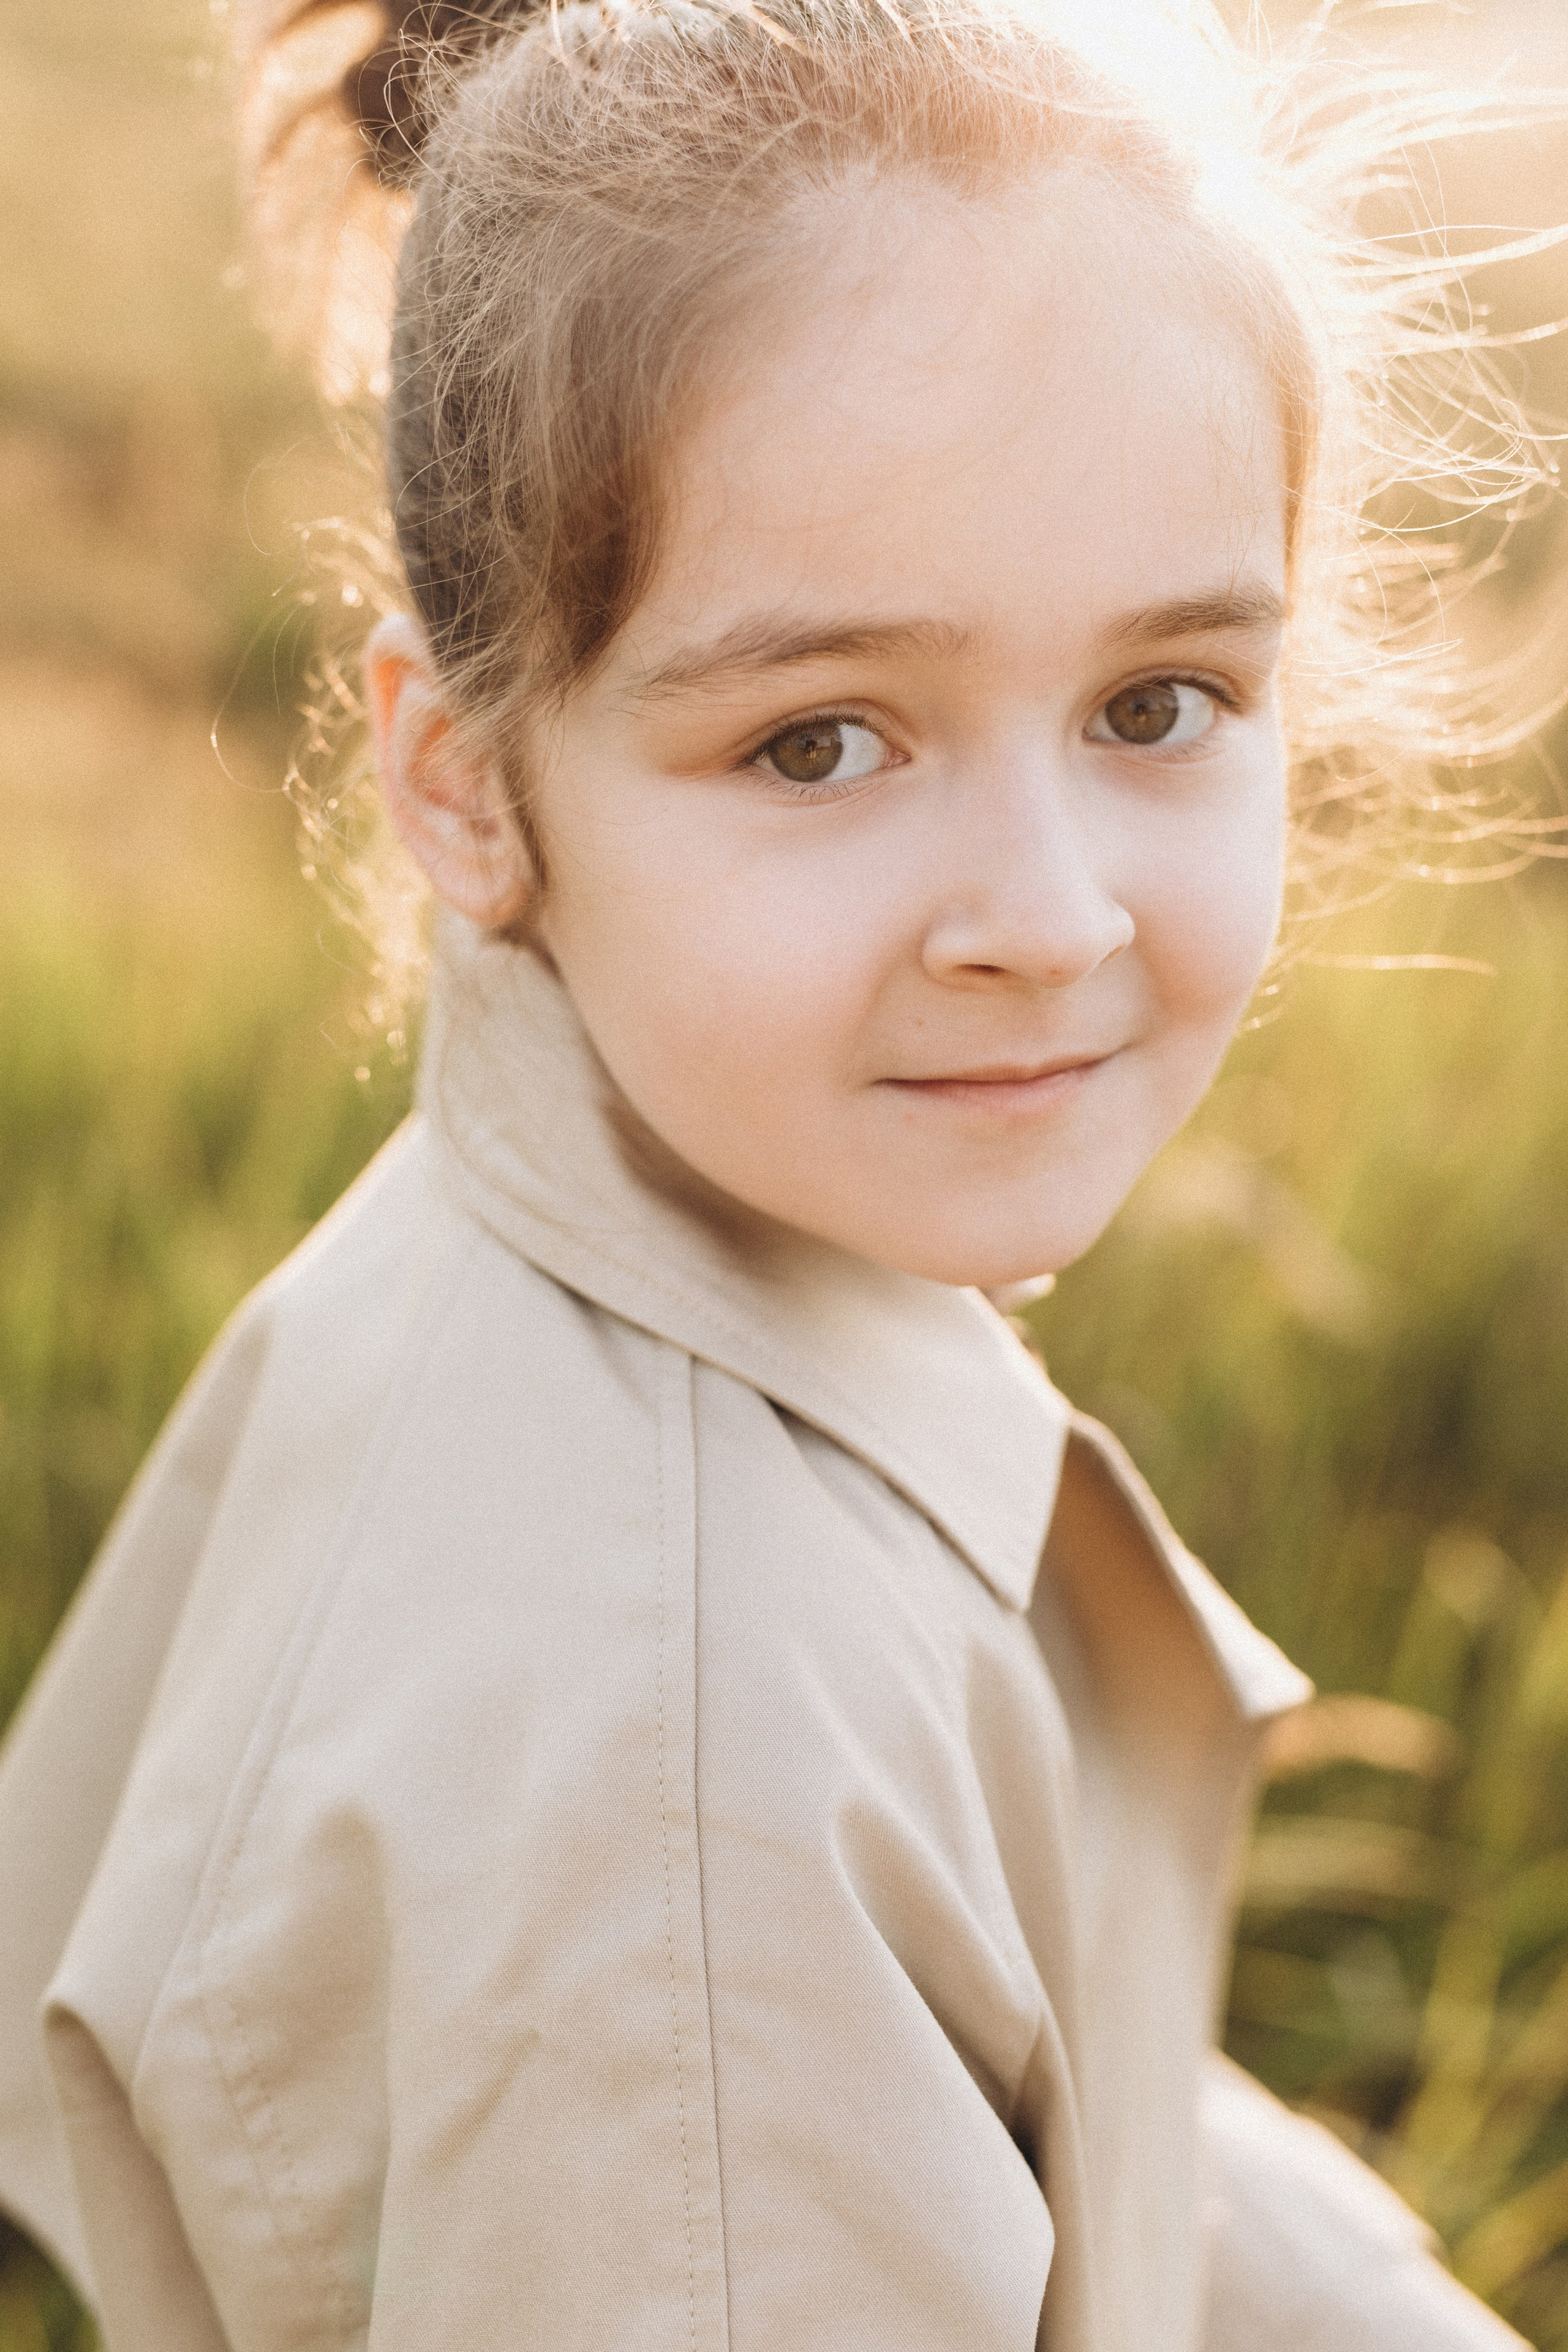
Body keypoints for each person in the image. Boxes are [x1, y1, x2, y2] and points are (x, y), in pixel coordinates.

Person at [0, 0, 1554, 2343]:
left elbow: (1009, 2041)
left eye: (1156, 705)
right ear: (465, 786)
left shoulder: (632, 1214)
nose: (1049, 917)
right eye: (821, 741)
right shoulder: (676, 1849)